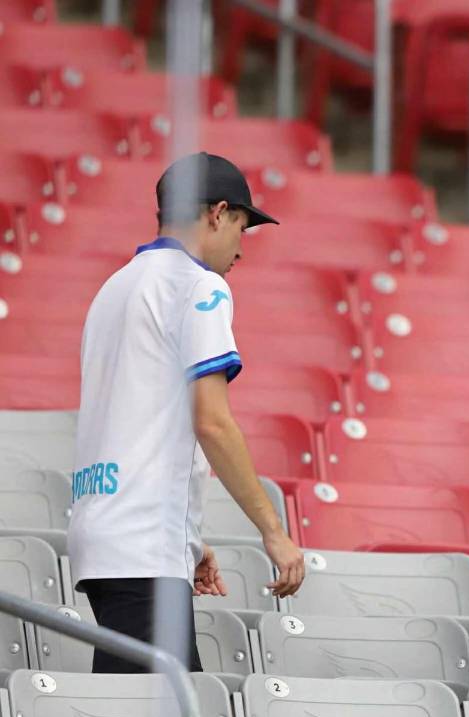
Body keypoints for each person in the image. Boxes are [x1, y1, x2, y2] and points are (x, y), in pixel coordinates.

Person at [68, 152, 305, 674]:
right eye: (243, 227)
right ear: (218, 213)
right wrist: (273, 529)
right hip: (141, 542)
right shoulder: (199, 286)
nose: (241, 250)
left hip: (103, 529)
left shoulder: (115, 286)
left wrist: (186, 538)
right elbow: (213, 420)